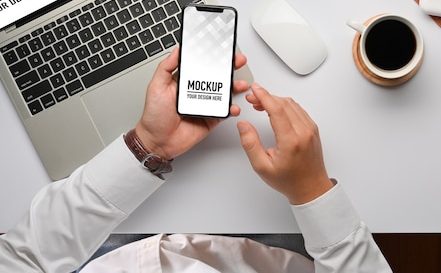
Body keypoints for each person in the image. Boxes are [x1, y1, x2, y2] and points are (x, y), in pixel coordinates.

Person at [0, 47, 392, 272]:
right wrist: (311, 192)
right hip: (283, 255)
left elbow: (23, 257)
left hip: (98, 251)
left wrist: (147, 146)